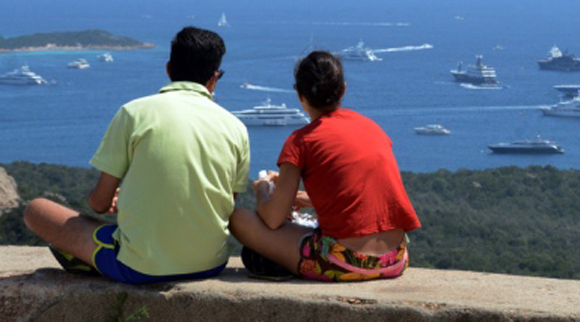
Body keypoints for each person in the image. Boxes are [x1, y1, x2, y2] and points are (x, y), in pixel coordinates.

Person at [24, 26, 250, 284]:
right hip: (210, 264)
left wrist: (123, 201)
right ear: (214, 78)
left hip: (141, 267)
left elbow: (98, 203)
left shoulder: (134, 113)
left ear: (168, 69)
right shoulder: (236, 128)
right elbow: (223, 204)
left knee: (36, 209)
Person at [230, 50, 420, 281]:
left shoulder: (301, 141)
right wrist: (304, 198)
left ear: (300, 95)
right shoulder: (373, 128)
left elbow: (272, 219)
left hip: (343, 263)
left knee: (239, 219)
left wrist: (262, 191)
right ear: (344, 89)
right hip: (396, 259)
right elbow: (363, 197)